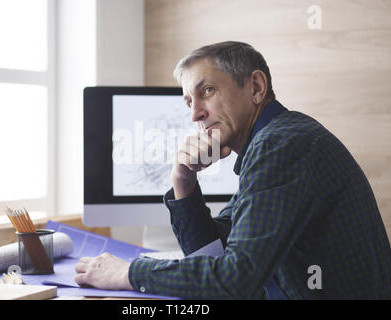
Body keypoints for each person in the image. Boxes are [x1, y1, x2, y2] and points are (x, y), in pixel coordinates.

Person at [74, 41, 391, 299]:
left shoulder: (282, 146)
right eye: (188, 102)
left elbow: (235, 280)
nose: (196, 113)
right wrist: (183, 180)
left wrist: (129, 274)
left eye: (207, 90)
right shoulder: (275, 141)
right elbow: (215, 254)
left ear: (256, 86)